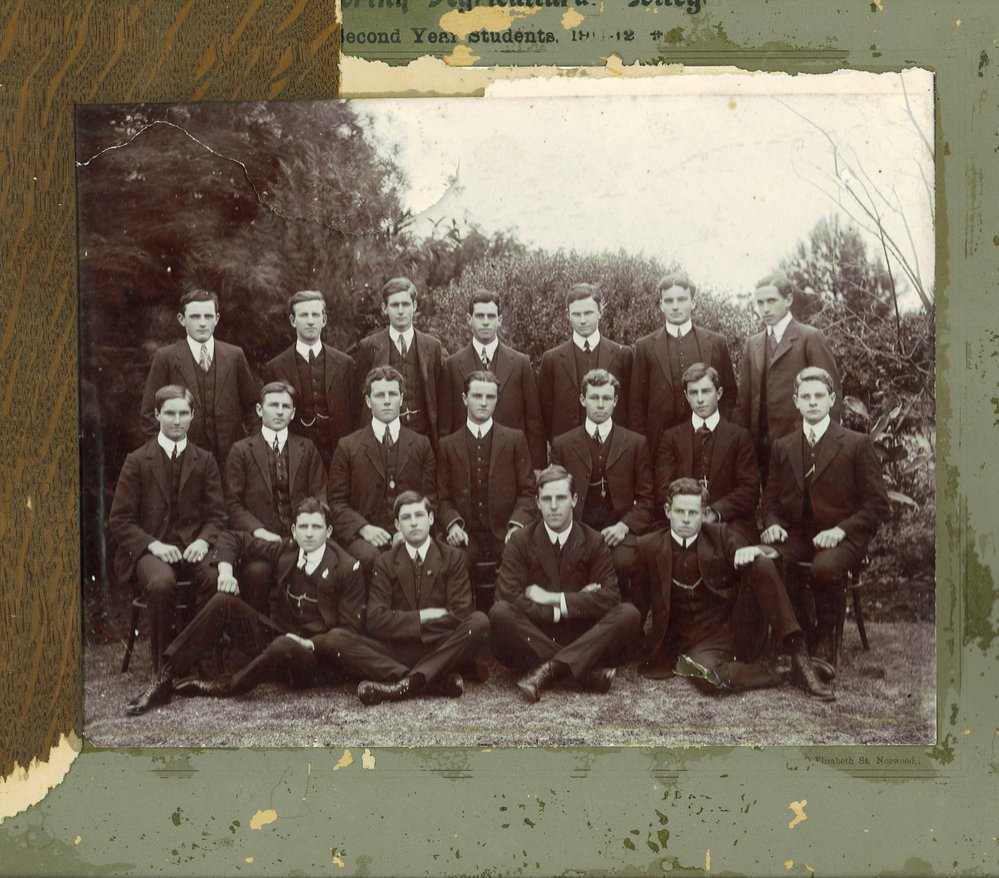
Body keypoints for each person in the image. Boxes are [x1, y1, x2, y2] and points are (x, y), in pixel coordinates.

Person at [124, 497, 365, 715]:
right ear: (293, 530)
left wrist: (310, 643)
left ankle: (227, 686)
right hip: (278, 640)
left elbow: (348, 633)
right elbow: (232, 537)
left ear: (329, 531)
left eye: (316, 527)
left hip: (313, 658)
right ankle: (165, 677)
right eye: (303, 527)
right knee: (223, 602)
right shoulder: (288, 549)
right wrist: (225, 571)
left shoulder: (346, 566)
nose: (309, 534)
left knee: (283, 644)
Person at [634, 478, 833, 699]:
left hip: (735, 629)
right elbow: (638, 605)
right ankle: (782, 671)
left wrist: (755, 551)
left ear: (704, 513)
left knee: (760, 563)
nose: (686, 520)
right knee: (708, 678)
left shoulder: (718, 535)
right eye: (680, 512)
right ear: (668, 511)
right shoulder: (648, 547)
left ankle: (799, 656)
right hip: (694, 644)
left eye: (693, 512)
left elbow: (746, 552)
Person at [761, 367, 888, 666]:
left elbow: (878, 504)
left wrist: (842, 531)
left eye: (819, 396)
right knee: (769, 559)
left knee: (825, 566)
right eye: (806, 396)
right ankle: (795, 635)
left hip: (843, 536)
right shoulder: (784, 446)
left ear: (832, 399)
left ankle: (823, 638)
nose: (813, 402)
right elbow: (770, 502)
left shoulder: (857, 444)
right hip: (798, 534)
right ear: (796, 401)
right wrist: (773, 525)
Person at [313, 492, 491, 705]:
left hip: (439, 645)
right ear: (397, 525)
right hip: (396, 650)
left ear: (431, 519)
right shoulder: (385, 562)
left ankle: (408, 682)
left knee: (479, 622)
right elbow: (376, 620)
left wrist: (403, 622)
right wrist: (423, 617)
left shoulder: (452, 557)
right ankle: (433, 678)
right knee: (336, 639)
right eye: (406, 518)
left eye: (419, 515)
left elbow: (461, 613)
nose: (414, 523)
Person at [488, 465, 642, 702]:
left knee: (629, 613)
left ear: (574, 500)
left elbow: (611, 597)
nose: (553, 506)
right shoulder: (520, 541)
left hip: (582, 633)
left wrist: (553, 598)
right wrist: (565, 608)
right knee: (499, 612)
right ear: (537, 503)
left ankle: (550, 668)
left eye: (560, 498)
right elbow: (508, 596)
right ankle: (583, 672)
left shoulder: (593, 540)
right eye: (546, 499)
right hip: (536, 632)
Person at [110, 385, 226, 671]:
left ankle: (198, 657)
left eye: (183, 413)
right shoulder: (137, 461)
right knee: (162, 583)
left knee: (214, 579)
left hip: (193, 546)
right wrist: (153, 545)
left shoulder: (205, 459)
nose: (177, 420)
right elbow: (119, 520)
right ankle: (165, 668)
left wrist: (203, 541)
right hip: (152, 549)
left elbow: (217, 515)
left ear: (192, 416)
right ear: (157, 415)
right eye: (170, 413)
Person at [223, 381, 327, 613]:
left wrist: (306, 531)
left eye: (285, 406)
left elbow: (320, 495)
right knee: (257, 573)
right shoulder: (241, 450)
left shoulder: (306, 448)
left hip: (301, 539)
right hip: (260, 541)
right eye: (273, 405)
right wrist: (259, 531)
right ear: (260, 410)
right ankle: (256, 639)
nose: (279, 411)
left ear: (293, 413)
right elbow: (233, 504)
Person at [549, 369, 654, 590]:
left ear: (615, 401)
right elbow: (554, 497)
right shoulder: (563, 444)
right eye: (594, 398)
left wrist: (623, 527)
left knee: (626, 563)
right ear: (582, 399)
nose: (600, 404)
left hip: (618, 533)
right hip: (576, 531)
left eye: (606, 398)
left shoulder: (635, 443)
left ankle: (625, 620)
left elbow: (646, 500)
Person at [328, 366, 437, 575]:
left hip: (412, 530)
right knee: (368, 557)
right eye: (379, 395)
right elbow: (336, 502)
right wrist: (363, 529)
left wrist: (410, 530)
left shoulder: (421, 444)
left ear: (402, 398)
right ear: (369, 401)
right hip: (365, 537)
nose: (387, 400)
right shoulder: (348, 446)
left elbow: (430, 497)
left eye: (393, 394)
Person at [735, 273, 841, 482]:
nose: (765, 309)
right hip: (761, 447)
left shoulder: (810, 338)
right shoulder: (753, 344)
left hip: (801, 444)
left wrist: (823, 445)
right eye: (760, 303)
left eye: (771, 301)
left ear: (789, 300)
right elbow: (745, 401)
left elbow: (832, 396)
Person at [139, 288, 258, 468]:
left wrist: (247, 450)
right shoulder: (166, 357)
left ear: (217, 319)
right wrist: (168, 455)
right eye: (195, 317)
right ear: (182, 319)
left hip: (230, 463)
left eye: (208, 316)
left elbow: (253, 409)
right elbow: (149, 414)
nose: (202, 323)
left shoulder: (234, 355)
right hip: (184, 464)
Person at [437, 370, 536, 581]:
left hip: (505, 533)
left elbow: (528, 492)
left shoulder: (514, 440)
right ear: (465, 399)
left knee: (519, 561)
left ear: (497, 399)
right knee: (453, 562)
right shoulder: (447, 445)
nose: (483, 403)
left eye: (490, 397)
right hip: (466, 534)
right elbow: (442, 497)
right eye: (477, 396)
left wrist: (516, 526)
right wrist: (453, 525)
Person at [629, 273, 737, 459]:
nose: (675, 306)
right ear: (661, 305)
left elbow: (729, 393)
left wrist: (719, 432)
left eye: (682, 299)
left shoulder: (716, 342)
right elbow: (637, 403)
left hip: (708, 439)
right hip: (659, 446)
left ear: (693, 302)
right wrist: (642, 447)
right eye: (669, 301)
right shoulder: (644, 346)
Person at [439, 290, 546, 470]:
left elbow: (533, 420)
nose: (486, 322)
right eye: (480, 316)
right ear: (468, 319)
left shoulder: (520, 363)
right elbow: (445, 423)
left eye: (491, 316)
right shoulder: (452, 365)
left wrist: (537, 468)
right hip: (465, 462)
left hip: (510, 462)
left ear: (500, 319)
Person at [655, 363, 759, 539]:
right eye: (694, 393)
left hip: (728, 522)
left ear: (718, 394)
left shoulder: (740, 436)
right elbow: (663, 488)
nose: (700, 399)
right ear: (686, 396)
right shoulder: (671, 437)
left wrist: (715, 513)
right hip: (682, 521)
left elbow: (749, 490)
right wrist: (689, 513)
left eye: (706, 391)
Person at [262, 290, 356, 468]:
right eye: (304, 315)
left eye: (315, 315)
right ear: (293, 321)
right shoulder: (274, 367)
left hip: (339, 452)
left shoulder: (345, 363)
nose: (311, 321)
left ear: (324, 320)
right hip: (295, 455)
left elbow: (354, 411)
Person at [354, 277, 445, 445]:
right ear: (385, 308)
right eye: (395, 305)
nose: (401, 311)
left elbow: (438, 397)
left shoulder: (432, 347)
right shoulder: (369, 346)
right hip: (382, 439)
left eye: (406, 304)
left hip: (423, 438)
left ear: (414, 306)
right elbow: (361, 399)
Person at [538, 283, 633, 442]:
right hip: (567, 452)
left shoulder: (623, 355)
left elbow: (631, 408)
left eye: (588, 313)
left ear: (600, 312)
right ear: (568, 315)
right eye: (576, 314)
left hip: (613, 450)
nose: (582, 320)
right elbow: (545, 414)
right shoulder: (551, 359)